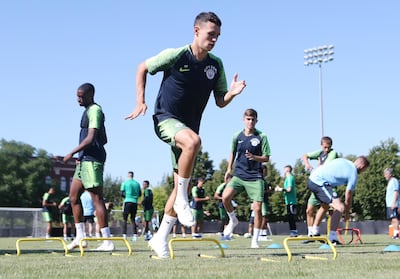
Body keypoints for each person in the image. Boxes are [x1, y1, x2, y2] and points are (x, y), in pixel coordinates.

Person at [125, 11, 246, 258]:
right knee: (193, 143)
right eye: (211, 34)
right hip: (166, 119)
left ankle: (160, 238)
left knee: (182, 175)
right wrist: (140, 101)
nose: (214, 40)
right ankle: (182, 200)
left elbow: (220, 101)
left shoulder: (215, 64)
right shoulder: (176, 54)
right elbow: (142, 67)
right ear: (196, 31)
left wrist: (232, 94)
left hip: (189, 128)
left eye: (218, 36)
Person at [63, 83, 114, 251]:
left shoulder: (95, 111)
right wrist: (80, 156)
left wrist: (71, 153)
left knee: (96, 198)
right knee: (73, 197)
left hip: (92, 160)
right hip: (84, 159)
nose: (78, 100)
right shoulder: (87, 112)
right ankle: (80, 237)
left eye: (81, 96)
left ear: (91, 95)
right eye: (77, 96)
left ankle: (107, 241)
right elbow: (104, 138)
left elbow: (91, 138)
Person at [222, 108, 271, 249]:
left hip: (255, 176)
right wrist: (228, 169)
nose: (250, 122)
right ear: (243, 120)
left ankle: (255, 240)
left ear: (256, 120)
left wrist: (255, 157)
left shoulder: (262, 136)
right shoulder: (237, 136)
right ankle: (233, 220)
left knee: (257, 208)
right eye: (248, 119)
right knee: (225, 197)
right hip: (239, 174)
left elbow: (267, 157)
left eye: (253, 119)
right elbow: (232, 153)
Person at [307, 156, 370, 244]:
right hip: (319, 182)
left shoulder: (343, 161)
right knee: (340, 207)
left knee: (325, 206)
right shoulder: (353, 173)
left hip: (313, 178)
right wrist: (347, 213)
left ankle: (315, 231)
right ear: (362, 166)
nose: (362, 172)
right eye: (364, 170)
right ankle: (333, 238)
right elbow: (348, 195)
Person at [302, 136, 339, 238]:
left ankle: (323, 232)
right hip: (318, 184)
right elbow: (305, 155)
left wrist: (319, 165)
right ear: (321, 145)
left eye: (329, 147)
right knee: (309, 210)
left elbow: (326, 166)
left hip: (327, 185)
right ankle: (311, 233)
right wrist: (307, 164)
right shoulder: (320, 152)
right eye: (325, 147)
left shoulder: (333, 153)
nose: (327, 149)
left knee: (327, 206)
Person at [275, 165, 298, 237]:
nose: (283, 171)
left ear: (287, 170)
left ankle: (294, 232)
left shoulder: (290, 178)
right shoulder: (287, 179)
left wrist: (280, 189)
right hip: (288, 201)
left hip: (292, 201)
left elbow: (289, 189)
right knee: (289, 217)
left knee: (291, 217)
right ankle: (293, 231)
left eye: (284, 169)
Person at [120, 171, 142, 241]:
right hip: (134, 202)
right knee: (133, 219)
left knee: (125, 219)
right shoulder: (137, 184)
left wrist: (126, 196)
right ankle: (135, 235)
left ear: (128, 176)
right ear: (133, 176)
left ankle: (124, 235)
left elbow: (121, 193)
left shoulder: (125, 183)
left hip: (127, 201)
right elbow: (140, 194)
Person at [384, 168, 400, 239]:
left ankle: (396, 234)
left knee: (395, 218)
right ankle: (394, 233)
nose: (385, 176)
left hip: (393, 204)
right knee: (392, 219)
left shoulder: (394, 181)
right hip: (389, 204)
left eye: (386, 174)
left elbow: (396, 192)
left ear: (390, 174)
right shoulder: (390, 182)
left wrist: (394, 203)